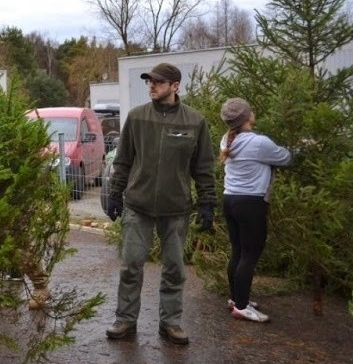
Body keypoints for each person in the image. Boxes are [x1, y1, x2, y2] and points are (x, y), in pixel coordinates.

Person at [105, 63, 217, 345]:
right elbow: (123, 161)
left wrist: (207, 202)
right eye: (149, 81)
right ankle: (125, 320)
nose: (151, 86)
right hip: (138, 205)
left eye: (158, 82)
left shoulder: (194, 121)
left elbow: (203, 167)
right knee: (131, 264)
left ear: (175, 85)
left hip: (176, 208)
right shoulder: (137, 117)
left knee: (174, 269)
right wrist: (115, 193)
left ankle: (171, 323)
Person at [220, 98, 291, 323]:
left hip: (230, 199)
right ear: (247, 117)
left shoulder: (226, 139)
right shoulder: (259, 143)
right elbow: (286, 158)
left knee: (238, 251)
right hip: (251, 203)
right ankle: (241, 307)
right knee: (250, 255)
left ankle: (236, 299)